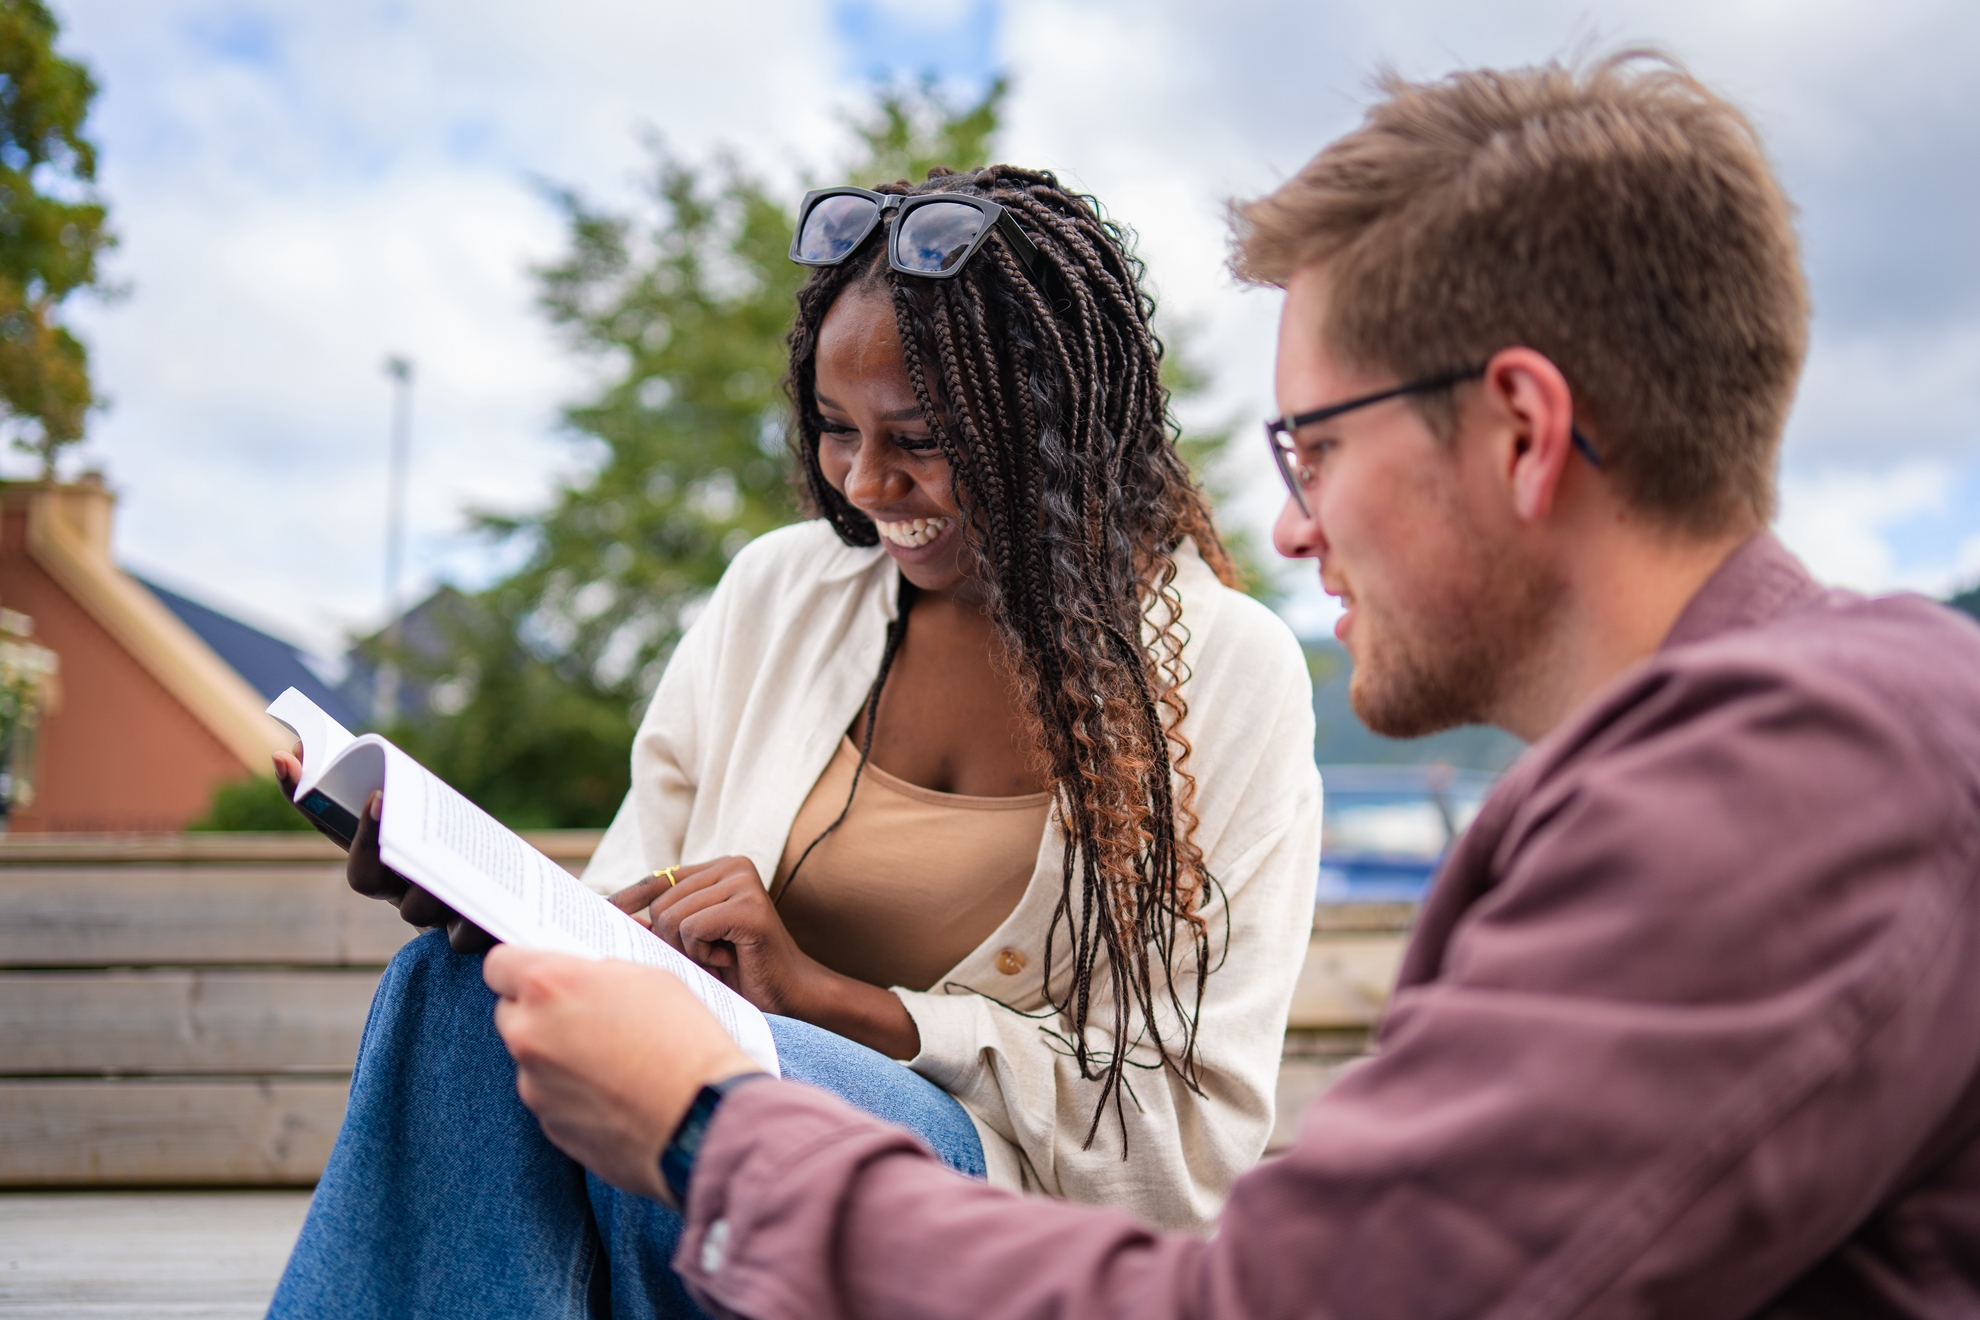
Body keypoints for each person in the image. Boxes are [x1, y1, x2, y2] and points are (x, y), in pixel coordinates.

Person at [473, 53, 1980, 1318]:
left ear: (1521, 431)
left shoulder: (1801, 767)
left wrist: (713, 1130)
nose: (1285, 525)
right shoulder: (1714, 774)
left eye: (1312, 446)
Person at [268, 166, 1320, 1317]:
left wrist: (830, 1002)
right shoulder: (778, 595)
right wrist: (488, 901)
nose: (868, 482)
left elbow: (1182, 1140)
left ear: (1052, 429)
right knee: (459, 989)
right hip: (692, 1173)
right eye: (835, 430)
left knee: (707, 1087)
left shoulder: (1222, 672)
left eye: (919, 438)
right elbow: (622, 896)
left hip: (969, 1208)